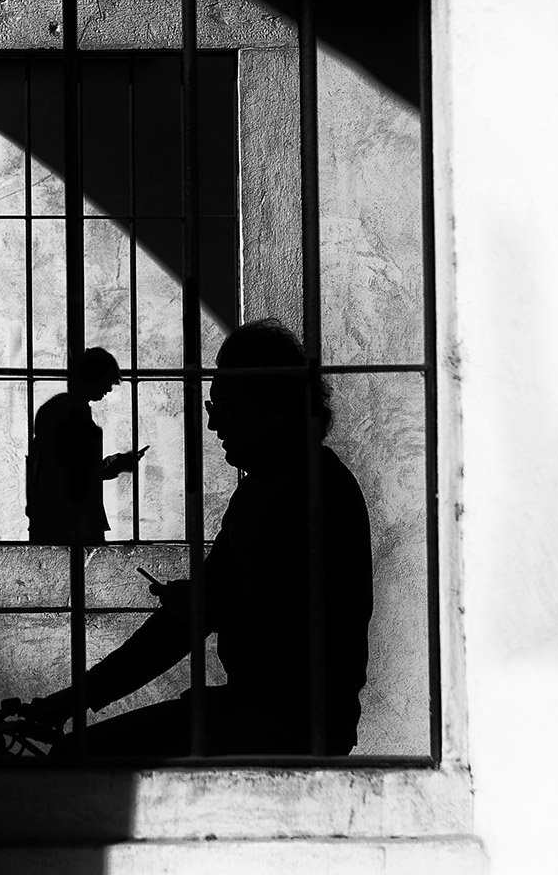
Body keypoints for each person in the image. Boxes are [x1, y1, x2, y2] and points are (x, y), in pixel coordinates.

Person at [25, 319, 373, 755]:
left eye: (223, 408)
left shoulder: (309, 491)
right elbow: (191, 619)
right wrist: (75, 699)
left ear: (269, 409)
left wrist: (208, 606)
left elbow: (289, 619)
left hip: (287, 725)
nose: (212, 425)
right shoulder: (268, 487)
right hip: (266, 713)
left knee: (82, 759)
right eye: (213, 407)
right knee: (82, 755)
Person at [26, 347, 148, 545]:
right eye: (107, 381)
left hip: (57, 517)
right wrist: (115, 465)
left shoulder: (60, 409)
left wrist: (113, 464)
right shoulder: (72, 412)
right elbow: (75, 473)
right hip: (71, 520)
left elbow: (70, 468)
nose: (109, 389)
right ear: (95, 377)